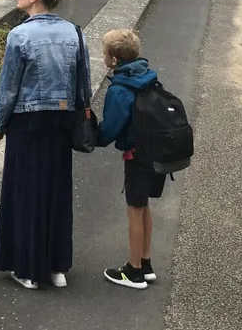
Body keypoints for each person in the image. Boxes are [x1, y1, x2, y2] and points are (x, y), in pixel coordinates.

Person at [0, 0, 85, 290]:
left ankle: (27, 269)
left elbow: (9, 88)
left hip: (27, 122)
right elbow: (82, 82)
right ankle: (57, 266)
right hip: (61, 120)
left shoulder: (19, 35)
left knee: (25, 192)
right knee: (55, 192)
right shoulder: (74, 32)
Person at [97, 28, 162, 290]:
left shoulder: (120, 88)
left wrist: (92, 137)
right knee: (143, 205)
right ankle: (145, 263)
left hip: (137, 155)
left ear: (113, 59)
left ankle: (133, 271)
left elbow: (110, 129)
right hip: (155, 150)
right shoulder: (147, 76)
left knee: (134, 208)